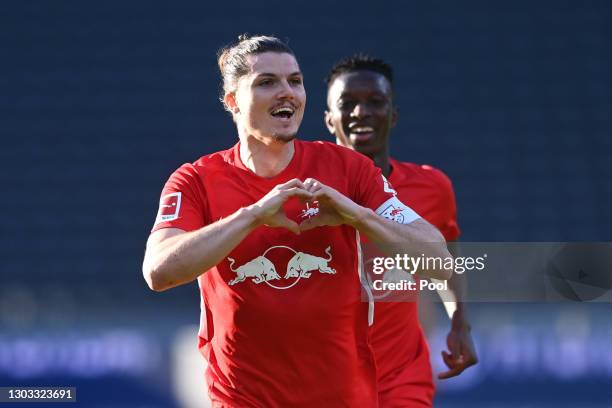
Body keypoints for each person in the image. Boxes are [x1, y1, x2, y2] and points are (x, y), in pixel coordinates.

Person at [142, 35, 452, 408]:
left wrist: (358, 215)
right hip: (242, 399)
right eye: (267, 82)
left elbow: (439, 261)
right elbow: (159, 272)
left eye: (296, 81)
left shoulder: (348, 169)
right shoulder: (196, 180)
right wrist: (254, 215)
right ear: (232, 102)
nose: (287, 92)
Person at [325, 55, 478, 407]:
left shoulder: (432, 187)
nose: (361, 112)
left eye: (375, 102)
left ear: (393, 115)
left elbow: (447, 265)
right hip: (325, 378)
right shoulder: (307, 194)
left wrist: (460, 324)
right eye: (347, 104)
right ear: (329, 119)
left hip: (402, 377)